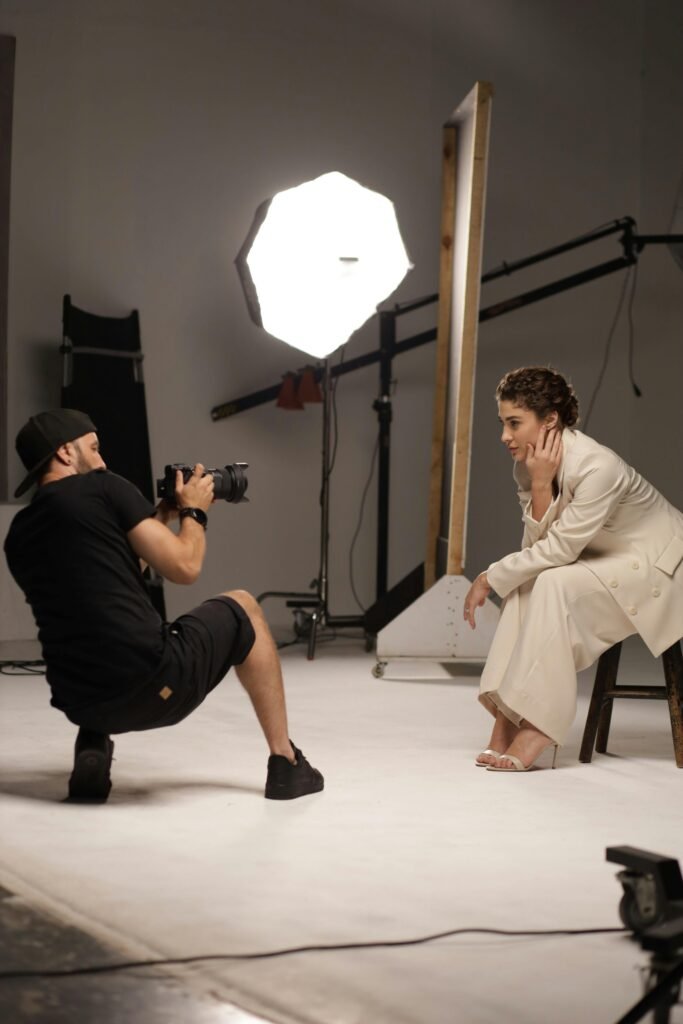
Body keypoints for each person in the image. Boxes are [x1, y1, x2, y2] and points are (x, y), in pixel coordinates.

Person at [4, 409, 324, 802]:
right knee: (245, 607)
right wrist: (193, 511)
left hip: (82, 703)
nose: (102, 461)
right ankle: (286, 764)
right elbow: (185, 566)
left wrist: (160, 517)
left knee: (87, 636)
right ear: (66, 453)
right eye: (94, 448)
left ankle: (93, 746)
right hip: (155, 685)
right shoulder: (105, 488)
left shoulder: (18, 535)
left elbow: (107, 574)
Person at [464, 366, 683, 772]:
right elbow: (537, 550)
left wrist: (488, 577)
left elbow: (559, 550)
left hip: (658, 567)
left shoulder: (598, 466)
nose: (504, 436)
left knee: (552, 584)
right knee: (530, 584)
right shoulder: (529, 466)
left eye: (514, 423)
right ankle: (506, 719)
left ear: (549, 420)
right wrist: (542, 485)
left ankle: (540, 724)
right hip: (603, 559)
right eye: (503, 423)